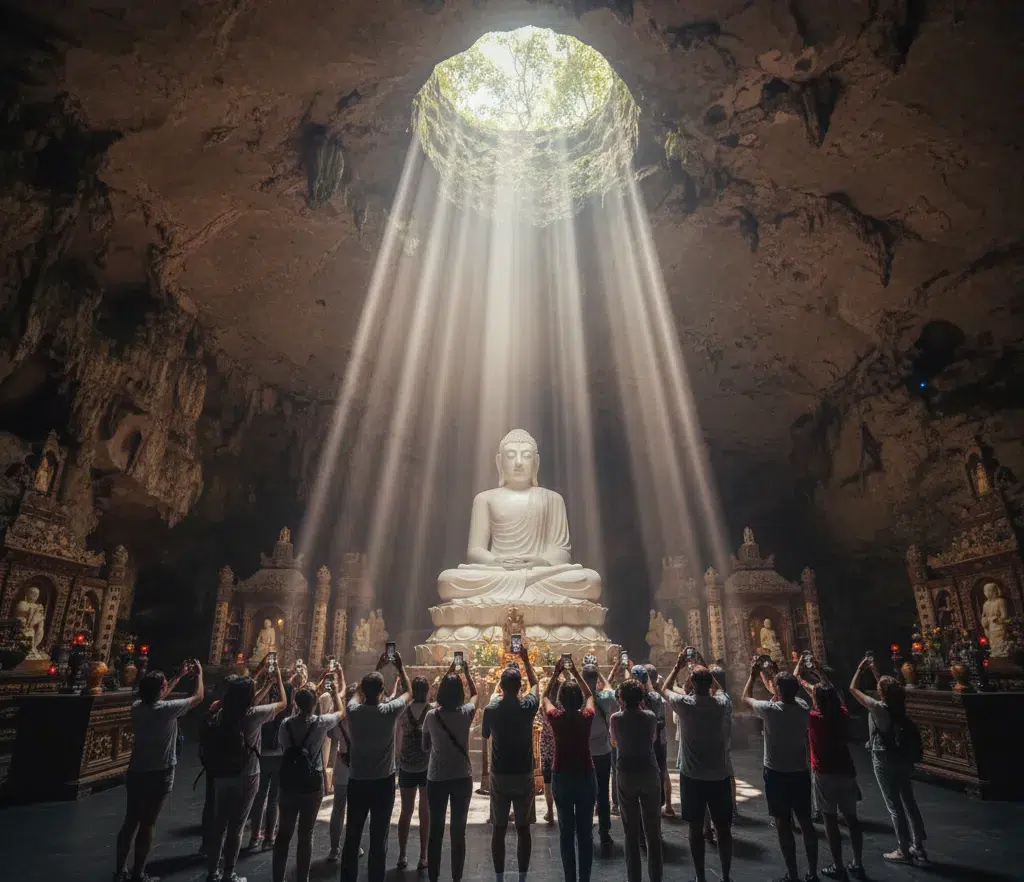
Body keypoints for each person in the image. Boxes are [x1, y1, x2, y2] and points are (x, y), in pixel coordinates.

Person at [115, 661, 204, 882]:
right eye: (164, 685)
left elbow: (158, 695)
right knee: (148, 823)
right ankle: (138, 873)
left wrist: (178, 676)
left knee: (130, 821)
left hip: (136, 769)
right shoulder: (166, 711)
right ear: (160, 690)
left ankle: (119, 871)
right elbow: (199, 697)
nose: (166, 688)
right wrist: (199, 676)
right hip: (160, 771)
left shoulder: (138, 707)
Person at [205, 659, 286, 882]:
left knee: (219, 823)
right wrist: (277, 676)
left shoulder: (222, 712)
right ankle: (229, 873)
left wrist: (264, 684)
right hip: (247, 773)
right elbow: (282, 703)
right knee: (237, 826)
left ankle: (212, 872)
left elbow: (248, 700)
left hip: (222, 772)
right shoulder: (253, 715)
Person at [340, 651, 413, 882]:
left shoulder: (353, 711)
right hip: (383, 782)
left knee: (352, 837)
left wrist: (377, 668)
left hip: (358, 780)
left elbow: (356, 693)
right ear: (382, 692)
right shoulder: (388, 712)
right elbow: (409, 693)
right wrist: (400, 668)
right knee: (378, 839)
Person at [742, 659, 817, 882]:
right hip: (800, 771)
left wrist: (753, 675)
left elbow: (745, 698)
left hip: (776, 773)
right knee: (805, 821)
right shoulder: (803, 707)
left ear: (777, 690)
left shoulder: (770, 711)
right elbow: (786, 692)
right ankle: (812, 872)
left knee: (783, 824)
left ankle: (792, 873)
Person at [793, 658, 865, 882]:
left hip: (824, 772)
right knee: (852, 819)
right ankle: (858, 862)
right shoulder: (841, 714)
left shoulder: (814, 718)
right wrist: (820, 673)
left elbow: (800, 683)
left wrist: (800, 672)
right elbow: (833, 693)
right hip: (846, 770)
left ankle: (838, 864)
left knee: (830, 820)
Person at [662, 654, 733, 882]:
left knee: (694, 829)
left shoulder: (685, 705)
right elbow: (722, 692)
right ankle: (726, 875)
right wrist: (709, 674)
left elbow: (664, 688)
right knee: (723, 828)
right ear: (710, 684)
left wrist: (677, 666)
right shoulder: (720, 704)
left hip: (692, 775)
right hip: (719, 774)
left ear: (691, 685)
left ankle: (700, 877)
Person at [850, 657, 927, 865]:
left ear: (881, 692)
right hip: (901, 756)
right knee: (909, 801)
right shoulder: (898, 706)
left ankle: (903, 849)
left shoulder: (877, 708)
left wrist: (860, 668)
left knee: (894, 805)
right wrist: (876, 670)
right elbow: (886, 688)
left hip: (883, 756)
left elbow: (852, 688)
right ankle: (918, 845)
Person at [272, 681, 342, 882]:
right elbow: (341, 713)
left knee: (283, 833)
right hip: (312, 783)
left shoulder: (286, 724)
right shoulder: (320, 723)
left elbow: (283, 747)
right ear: (315, 704)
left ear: (295, 703)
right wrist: (336, 692)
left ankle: (277, 877)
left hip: (289, 782)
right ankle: (303, 878)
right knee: (306, 833)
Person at [482, 642, 540, 882]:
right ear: (520, 687)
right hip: (524, 772)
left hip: (500, 773)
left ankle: (498, 876)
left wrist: (500, 684)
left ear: (501, 686)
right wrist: (526, 661)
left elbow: (485, 734)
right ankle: (523, 875)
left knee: (499, 827)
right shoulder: (527, 706)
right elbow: (536, 685)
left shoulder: (491, 708)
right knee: (523, 829)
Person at [423, 660, 479, 882]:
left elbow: (425, 746)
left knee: (435, 831)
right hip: (461, 776)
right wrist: (467, 673)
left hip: (436, 776)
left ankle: (434, 877)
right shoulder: (466, 713)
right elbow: (475, 696)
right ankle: (456, 877)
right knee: (458, 832)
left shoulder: (431, 716)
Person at [543, 656, 597, 882]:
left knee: (566, 833)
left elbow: (545, 697)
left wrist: (556, 674)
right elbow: (590, 696)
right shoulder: (586, 717)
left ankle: (570, 879)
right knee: (585, 833)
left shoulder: (556, 717)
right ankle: (584, 878)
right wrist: (575, 672)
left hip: (562, 776)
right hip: (585, 776)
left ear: (561, 701)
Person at [610, 677, 663, 882]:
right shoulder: (650, 717)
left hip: (626, 773)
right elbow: (653, 740)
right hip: (649, 771)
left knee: (630, 833)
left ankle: (634, 877)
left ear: (621, 699)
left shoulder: (616, 718)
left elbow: (614, 741)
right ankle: (656, 877)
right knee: (653, 832)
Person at [247, 681, 295, 851]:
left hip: (263, 757)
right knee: (274, 799)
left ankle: (254, 838)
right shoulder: (290, 716)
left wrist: (268, 684)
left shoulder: (265, 712)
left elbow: (253, 702)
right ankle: (269, 837)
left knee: (260, 799)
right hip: (280, 758)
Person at [581, 662, 619, 855]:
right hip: (602, 752)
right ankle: (604, 832)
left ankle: (585, 830)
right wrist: (603, 675)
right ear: (596, 680)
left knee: (584, 793)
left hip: (583, 753)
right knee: (602, 794)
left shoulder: (575, 698)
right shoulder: (604, 697)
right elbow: (612, 691)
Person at [396, 676, 432, 870]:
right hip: (426, 765)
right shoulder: (431, 711)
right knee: (424, 812)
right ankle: (423, 856)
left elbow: (399, 734)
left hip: (407, 765)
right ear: (427, 691)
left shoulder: (404, 711)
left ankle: (402, 855)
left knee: (406, 811)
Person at [326, 682, 359, 862]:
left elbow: (331, 735)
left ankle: (334, 849)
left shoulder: (339, 718)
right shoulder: (364, 718)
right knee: (356, 809)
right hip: (359, 766)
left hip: (341, 763)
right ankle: (353, 846)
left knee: (338, 809)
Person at [636, 664, 671, 817]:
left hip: (644, 745)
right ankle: (663, 804)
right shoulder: (658, 699)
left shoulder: (634, 700)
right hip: (659, 742)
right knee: (661, 772)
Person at [539, 694, 556, 825]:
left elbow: (544, 695)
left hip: (547, 753)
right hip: (561, 751)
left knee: (548, 782)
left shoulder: (546, 712)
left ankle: (550, 812)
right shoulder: (563, 711)